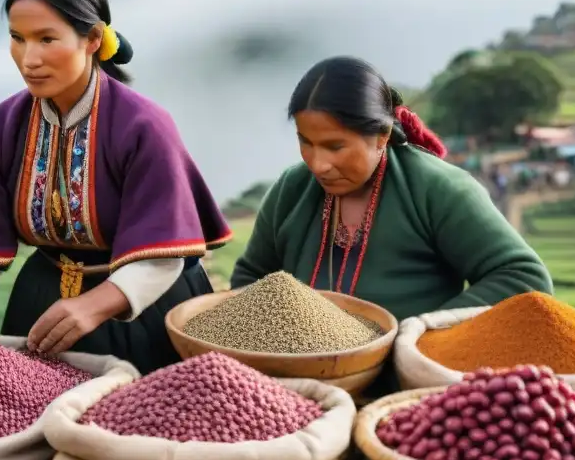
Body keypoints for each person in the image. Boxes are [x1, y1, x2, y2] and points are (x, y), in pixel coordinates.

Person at [0, 0, 232, 374]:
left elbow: (165, 251)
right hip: (41, 304)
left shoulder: (143, 126)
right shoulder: (4, 126)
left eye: (46, 39)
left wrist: (93, 306)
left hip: (145, 310)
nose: (28, 58)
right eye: (17, 39)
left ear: (92, 38)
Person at [231, 56, 553, 324]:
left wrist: (424, 331)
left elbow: (524, 278)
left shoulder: (438, 189)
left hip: (408, 380)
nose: (318, 164)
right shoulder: (292, 189)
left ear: (382, 136)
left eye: (335, 146)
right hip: (301, 379)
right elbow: (251, 275)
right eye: (306, 142)